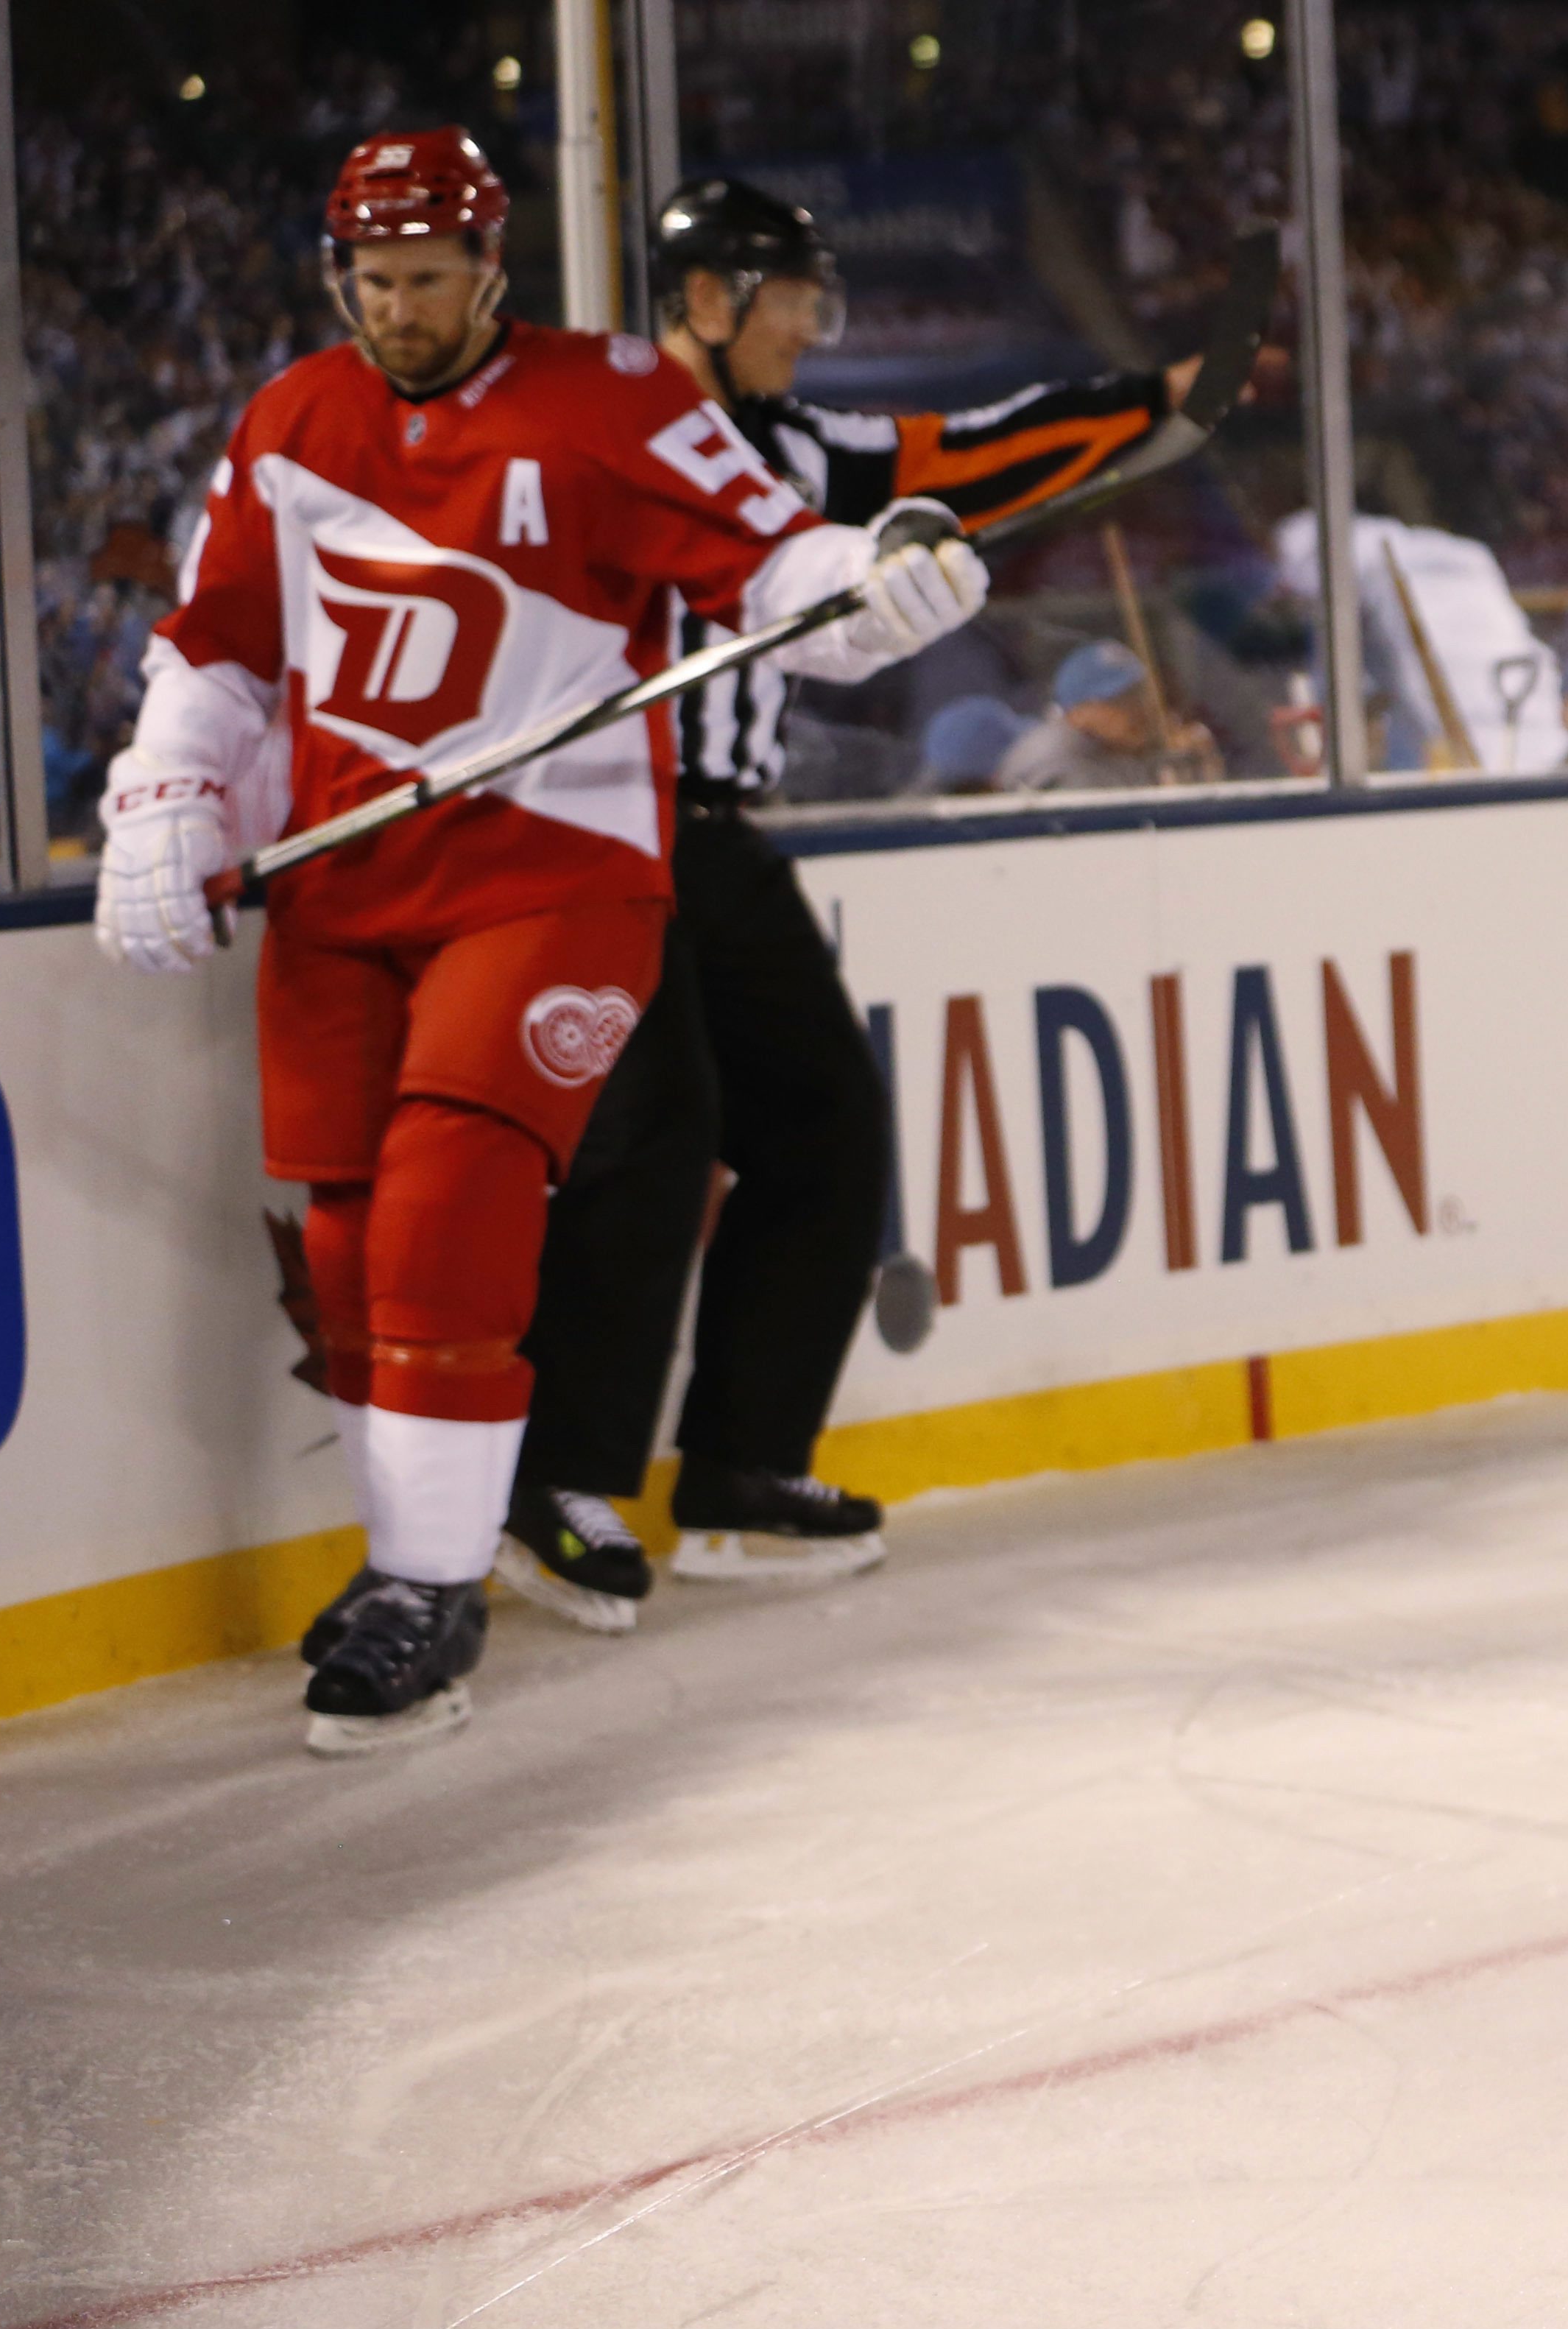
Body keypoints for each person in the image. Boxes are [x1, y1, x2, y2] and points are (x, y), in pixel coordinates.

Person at [90, 130, 987, 1747]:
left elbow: (773, 560)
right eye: (373, 281)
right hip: (345, 888)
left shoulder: (616, 396)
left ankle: (427, 1588)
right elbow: (219, 651)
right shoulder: (295, 418)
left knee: (451, 1190)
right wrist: (164, 796)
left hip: (550, 874)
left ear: (492, 265)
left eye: (429, 280)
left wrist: (876, 575)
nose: (400, 309)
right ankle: (408, 1564)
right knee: (356, 1246)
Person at [497, 176, 1205, 1633]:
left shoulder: (810, 444)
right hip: (593, 829)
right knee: (656, 1133)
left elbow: (977, 452)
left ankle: (745, 1470)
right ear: (707, 299)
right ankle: (554, 1480)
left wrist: (1153, 403)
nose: (814, 328)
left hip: (716, 835)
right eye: (792, 299)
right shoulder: (609, 429)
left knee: (826, 1118)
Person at [989, 638, 1225, 792]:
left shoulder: (1113, 748)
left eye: (1142, 695)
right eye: (1120, 700)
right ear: (1078, 714)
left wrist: (1195, 767)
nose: (1141, 709)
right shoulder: (1057, 757)